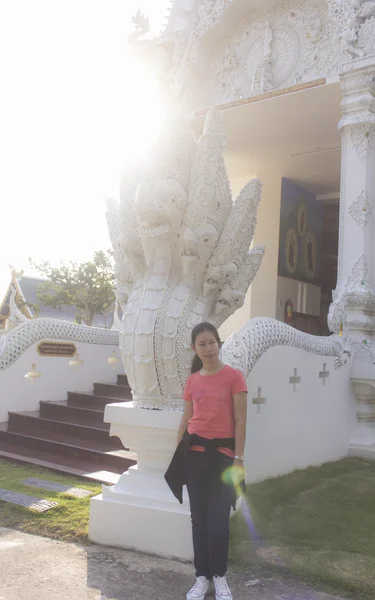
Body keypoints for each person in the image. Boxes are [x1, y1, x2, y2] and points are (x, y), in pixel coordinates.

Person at [166, 322, 248, 600]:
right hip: (194, 457)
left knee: (218, 521)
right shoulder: (193, 380)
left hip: (223, 459)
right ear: (194, 348)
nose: (208, 348)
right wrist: (179, 452)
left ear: (219, 343)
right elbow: (186, 419)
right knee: (198, 520)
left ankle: (220, 577)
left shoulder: (234, 377)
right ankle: (202, 577)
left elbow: (240, 420)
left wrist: (239, 458)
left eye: (212, 342)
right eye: (202, 344)